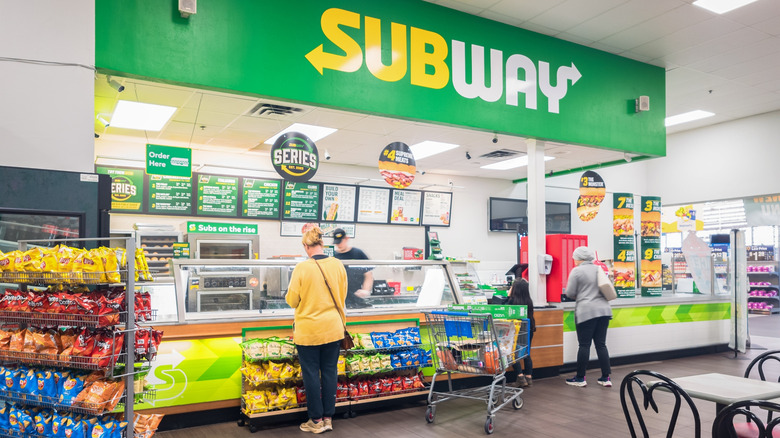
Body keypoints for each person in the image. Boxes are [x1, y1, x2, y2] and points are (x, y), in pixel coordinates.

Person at [286, 226, 348, 433]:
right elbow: (343, 293)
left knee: (311, 374)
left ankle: (316, 421)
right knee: (330, 372)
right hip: (333, 327)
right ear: (322, 243)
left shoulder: (302, 268)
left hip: (309, 329)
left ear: (306, 246)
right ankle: (329, 418)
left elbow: (292, 300)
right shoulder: (338, 264)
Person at [564, 246, 613, 388]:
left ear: (579, 258)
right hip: (604, 311)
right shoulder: (599, 269)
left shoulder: (577, 271)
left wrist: (581, 294)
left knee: (584, 345)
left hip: (586, 312)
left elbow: (570, 292)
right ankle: (606, 377)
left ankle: (580, 378)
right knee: (601, 344)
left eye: (574, 257)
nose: (573, 260)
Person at [332, 228, 373, 309]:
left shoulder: (358, 253)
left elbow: (369, 276)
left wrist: (366, 290)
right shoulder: (334, 256)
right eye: (337, 243)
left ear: (346, 238)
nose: (339, 245)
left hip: (356, 298)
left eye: (340, 242)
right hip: (339, 298)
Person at [506, 277, 535, 388]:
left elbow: (504, 309)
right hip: (528, 329)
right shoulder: (529, 300)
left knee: (513, 353)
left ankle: (520, 377)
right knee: (527, 353)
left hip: (516, 330)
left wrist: (508, 295)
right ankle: (529, 377)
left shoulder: (512, 301)